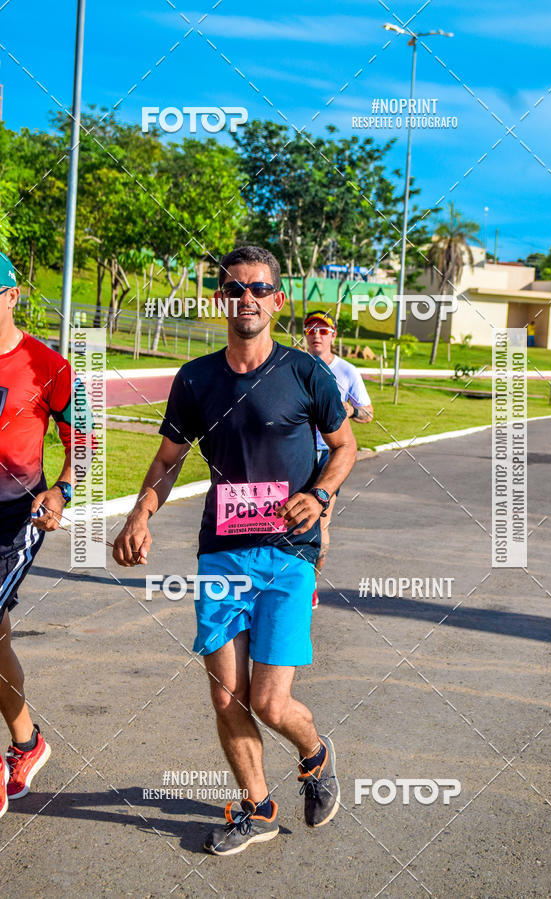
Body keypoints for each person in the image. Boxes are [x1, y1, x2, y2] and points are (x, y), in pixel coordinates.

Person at [113, 245, 357, 856]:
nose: (244, 299)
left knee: (270, 703)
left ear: (276, 300)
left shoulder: (307, 374)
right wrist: (140, 514)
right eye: (233, 289)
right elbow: (168, 461)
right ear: (221, 299)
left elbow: (345, 446)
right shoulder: (196, 378)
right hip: (221, 554)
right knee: (226, 695)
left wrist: (321, 494)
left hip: (289, 554)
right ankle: (258, 807)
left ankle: (314, 752)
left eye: (257, 288)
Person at [0, 252, 89, 816]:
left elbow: (84, 439)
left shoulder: (49, 365)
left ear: (11, 296)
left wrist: (62, 491)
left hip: (15, 516)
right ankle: (27, 745)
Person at [304, 310, 373, 608]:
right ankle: (288, 581)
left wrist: (349, 411)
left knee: (321, 521)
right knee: (286, 517)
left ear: (333, 335)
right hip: (299, 451)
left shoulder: (347, 371)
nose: (316, 335)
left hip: (331, 455)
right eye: (311, 330)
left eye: (323, 330)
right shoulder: (296, 365)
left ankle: (311, 585)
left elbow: (368, 413)